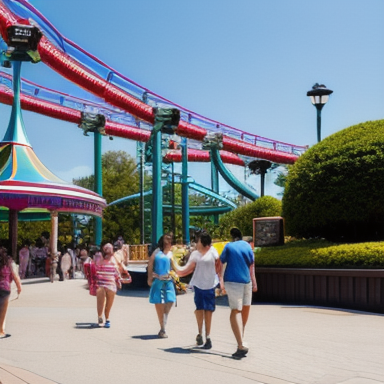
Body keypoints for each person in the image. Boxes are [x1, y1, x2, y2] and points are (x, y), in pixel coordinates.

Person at [175, 231, 219, 349]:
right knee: (199, 309)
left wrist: (222, 282)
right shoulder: (195, 254)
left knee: (209, 311)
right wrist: (174, 266)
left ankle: (208, 336)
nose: (196, 243)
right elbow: (186, 270)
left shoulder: (213, 251)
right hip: (199, 285)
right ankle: (200, 333)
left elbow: (219, 265)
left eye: (198, 241)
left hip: (210, 285)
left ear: (204, 243)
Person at [219, 228, 257, 359]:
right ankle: (242, 337)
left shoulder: (228, 246)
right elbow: (251, 263)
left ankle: (240, 344)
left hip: (233, 281)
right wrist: (254, 282)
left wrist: (220, 281)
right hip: (247, 280)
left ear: (232, 237)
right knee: (246, 307)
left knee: (235, 311)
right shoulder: (247, 246)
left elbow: (221, 261)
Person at [147, 233, 176, 338]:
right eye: (167, 240)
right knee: (159, 303)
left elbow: (175, 267)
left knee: (171, 300)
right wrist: (149, 277)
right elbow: (150, 264)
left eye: (170, 240)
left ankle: (164, 319)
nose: (169, 242)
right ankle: (162, 328)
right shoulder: (157, 252)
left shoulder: (171, 254)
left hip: (168, 280)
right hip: (158, 280)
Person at [95, 243, 121, 328]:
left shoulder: (99, 258)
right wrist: (118, 280)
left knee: (101, 302)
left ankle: (102, 317)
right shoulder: (113, 259)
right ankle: (106, 318)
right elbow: (116, 271)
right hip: (109, 284)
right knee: (107, 303)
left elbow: (94, 269)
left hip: (102, 284)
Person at [0, 247, 22, 338]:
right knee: (2, 311)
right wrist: (19, 287)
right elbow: (15, 275)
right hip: (5, 289)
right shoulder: (9, 263)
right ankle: (1, 330)